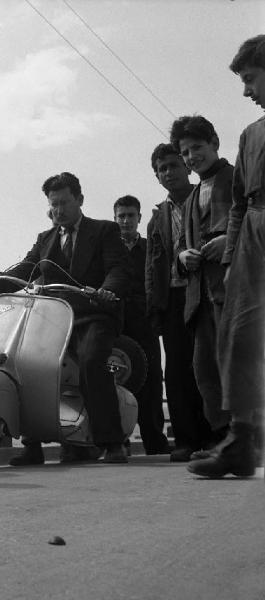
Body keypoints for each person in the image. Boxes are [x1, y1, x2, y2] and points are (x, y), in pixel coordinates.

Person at [0, 172, 132, 465]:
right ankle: (32, 444)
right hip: (54, 319)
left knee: (91, 361)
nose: (59, 210)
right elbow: (25, 268)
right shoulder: (46, 238)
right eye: (54, 204)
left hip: (94, 315)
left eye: (64, 202)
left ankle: (112, 442)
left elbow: (118, 268)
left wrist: (106, 291)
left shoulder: (104, 231)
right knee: (27, 363)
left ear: (80, 199)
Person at [188, 35, 265, 479]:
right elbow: (237, 204)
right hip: (252, 235)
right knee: (237, 337)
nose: (246, 91)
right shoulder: (250, 135)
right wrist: (235, 255)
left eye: (251, 79)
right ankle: (241, 440)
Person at [170, 116, 233, 446]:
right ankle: (225, 440)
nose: (192, 156)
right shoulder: (192, 197)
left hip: (237, 294)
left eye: (198, 147)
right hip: (200, 300)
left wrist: (229, 242)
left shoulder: (239, 178)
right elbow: (180, 244)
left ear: (215, 143)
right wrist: (182, 258)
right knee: (205, 371)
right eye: (185, 151)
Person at [146, 144, 212, 462]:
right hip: (173, 298)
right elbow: (151, 269)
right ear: (157, 176)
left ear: (186, 166)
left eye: (173, 165)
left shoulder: (205, 199)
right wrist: (154, 309)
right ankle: (185, 440)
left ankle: (216, 437)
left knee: (207, 365)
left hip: (206, 293)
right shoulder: (156, 218)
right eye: (162, 169)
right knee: (176, 371)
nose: (169, 172)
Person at [113, 195, 170, 455]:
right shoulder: (108, 248)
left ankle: (154, 440)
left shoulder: (150, 247)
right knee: (115, 381)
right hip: (116, 324)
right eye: (121, 216)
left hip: (145, 321)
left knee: (152, 381)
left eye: (130, 216)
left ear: (139, 218)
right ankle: (117, 440)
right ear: (115, 219)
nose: (126, 221)